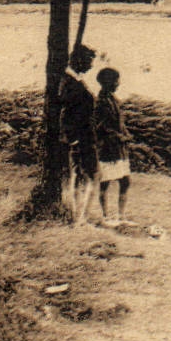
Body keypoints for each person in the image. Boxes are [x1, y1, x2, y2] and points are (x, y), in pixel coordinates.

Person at [59, 44, 100, 224]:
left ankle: (80, 216)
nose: (91, 66)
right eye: (89, 61)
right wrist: (72, 137)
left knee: (87, 175)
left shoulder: (74, 80)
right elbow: (66, 112)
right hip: (79, 137)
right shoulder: (69, 82)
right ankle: (78, 217)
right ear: (79, 61)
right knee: (84, 176)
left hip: (85, 136)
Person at [93, 66, 132, 225]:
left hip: (119, 147)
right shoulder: (101, 102)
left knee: (125, 181)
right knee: (106, 181)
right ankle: (106, 216)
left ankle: (121, 216)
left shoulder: (114, 100)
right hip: (108, 147)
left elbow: (119, 123)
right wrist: (119, 136)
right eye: (116, 80)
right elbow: (101, 126)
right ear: (109, 82)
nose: (119, 83)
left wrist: (126, 134)